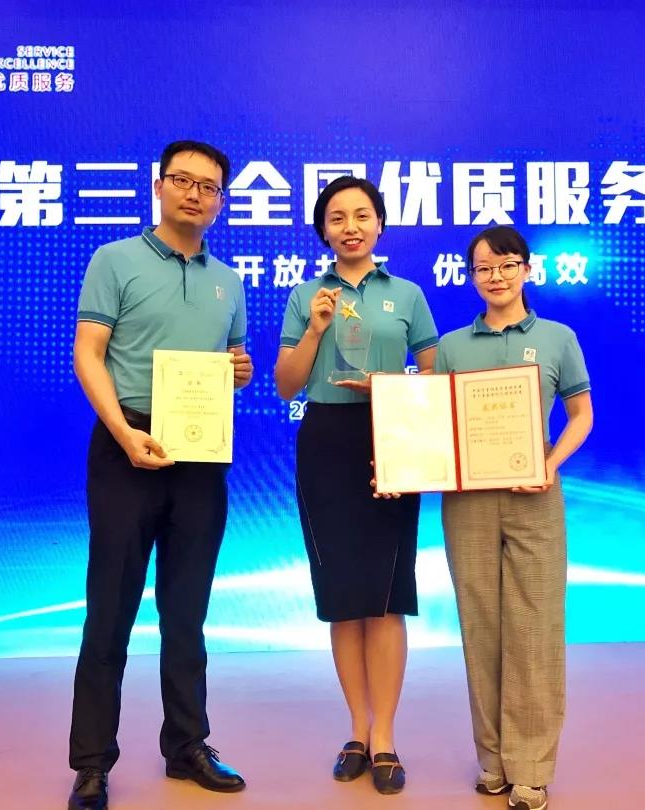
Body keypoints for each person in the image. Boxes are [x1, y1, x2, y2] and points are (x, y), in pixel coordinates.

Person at [67, 140, 253, 810]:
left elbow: (232, 360)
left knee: (187, 611)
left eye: (209, 187)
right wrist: (124, 432)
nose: (195, 194)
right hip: (126, 446)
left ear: (220, 201)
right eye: (183, 180)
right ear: (159, 185)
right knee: (109, 610)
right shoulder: (114, 260)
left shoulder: (228, 280)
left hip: (199, 455)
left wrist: (239, 370)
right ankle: (91, 763)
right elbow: (88, 353)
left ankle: (187, 745)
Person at [274, 176, 438, 795]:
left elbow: (435, 379)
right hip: (326, 441)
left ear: (380, 225)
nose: (351, 227)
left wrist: (389, 389)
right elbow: (286, 384)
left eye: (362, 215)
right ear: (323, 230)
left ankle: (387, 736)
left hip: (393, 435)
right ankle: (358, 731)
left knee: (388, 594)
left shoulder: (408, 295)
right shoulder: (305, 295)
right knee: (344, 595)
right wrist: (314, 330)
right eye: (337, 217)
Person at [436, 225, 593, 810]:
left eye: (506, 265)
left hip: (534, 495)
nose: (495, 277)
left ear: (527, 270)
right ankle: (494, 761)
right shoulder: (452, 346)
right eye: (483, 268)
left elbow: (581, 414)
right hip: (468, 500)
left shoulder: (557, 338)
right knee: (481, 626)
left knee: (534, 628)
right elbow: (434, 423)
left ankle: (531, 768)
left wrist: (550, 464)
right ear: (471, 276)